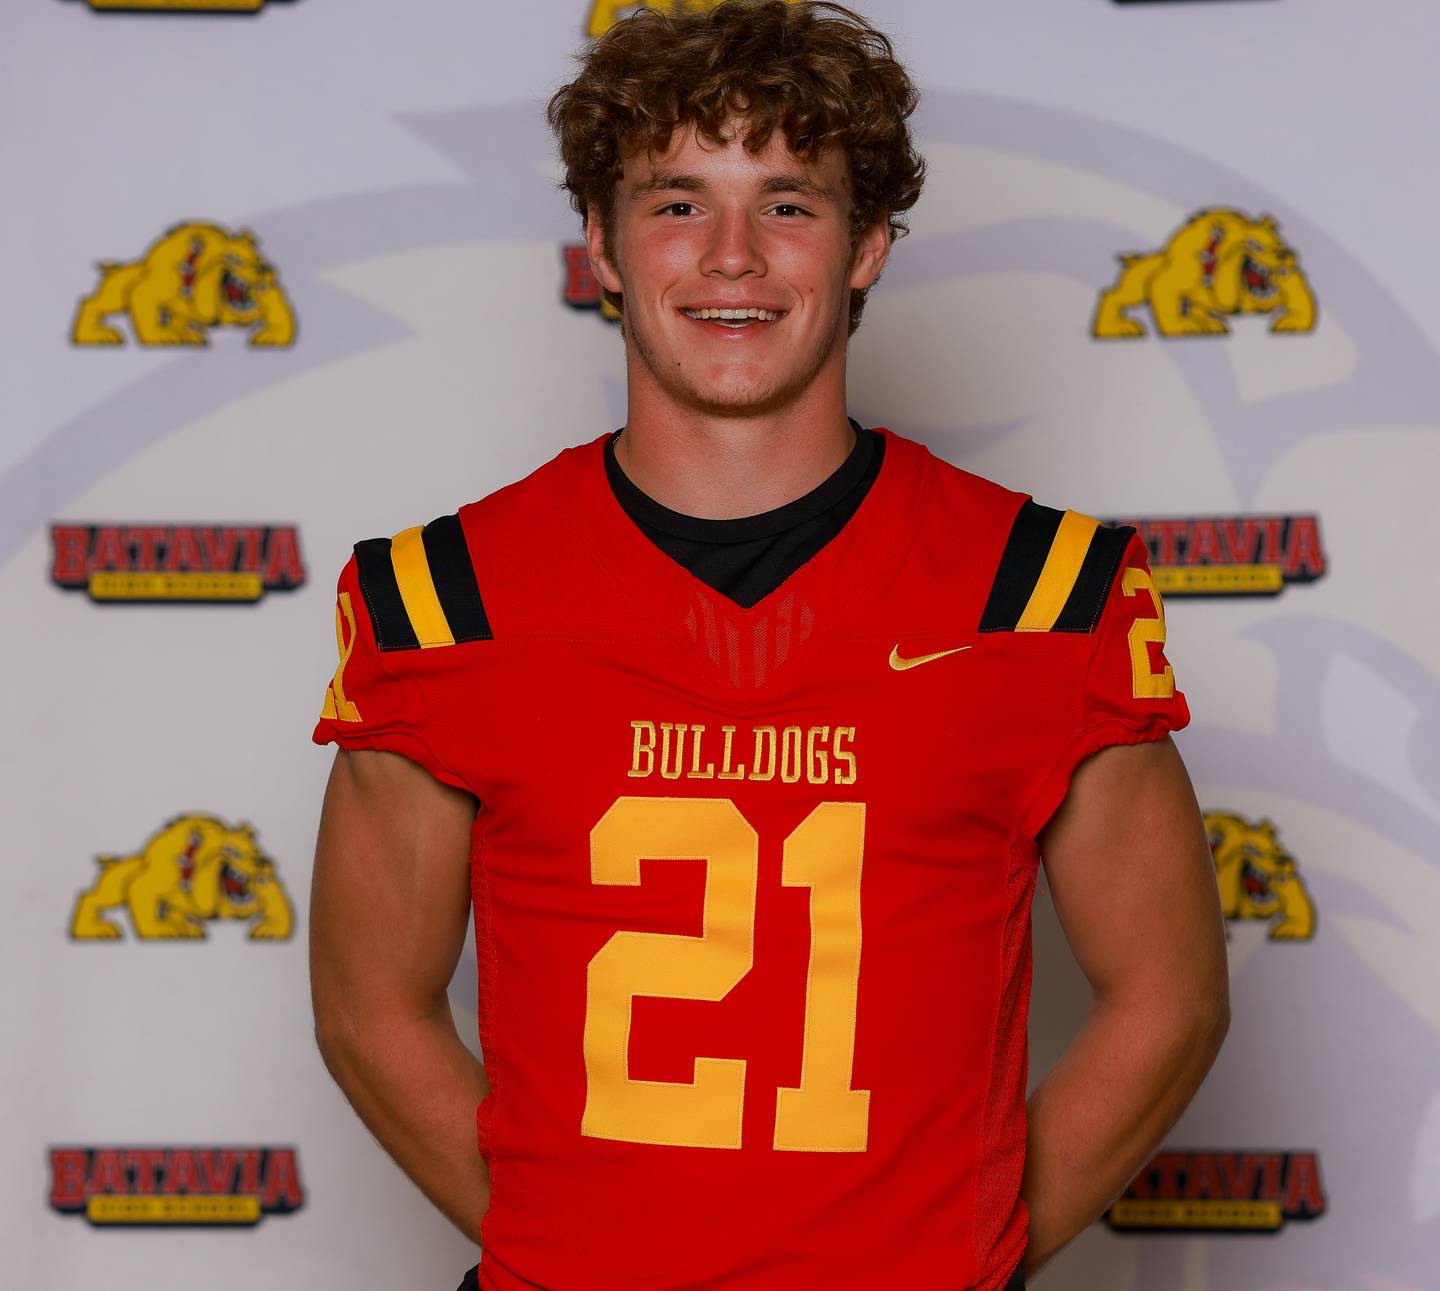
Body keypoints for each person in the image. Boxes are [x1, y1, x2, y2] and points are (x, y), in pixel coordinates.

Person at [308, 3, 1230, 1288]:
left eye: (790, 203)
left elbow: (1168, 997)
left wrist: (969, 1255)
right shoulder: (442, 599)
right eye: (678, 202)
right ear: (603, 244)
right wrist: (562, 1250)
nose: (732, 257)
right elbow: (371, 1008)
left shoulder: (1043, 592)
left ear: (868, 249)